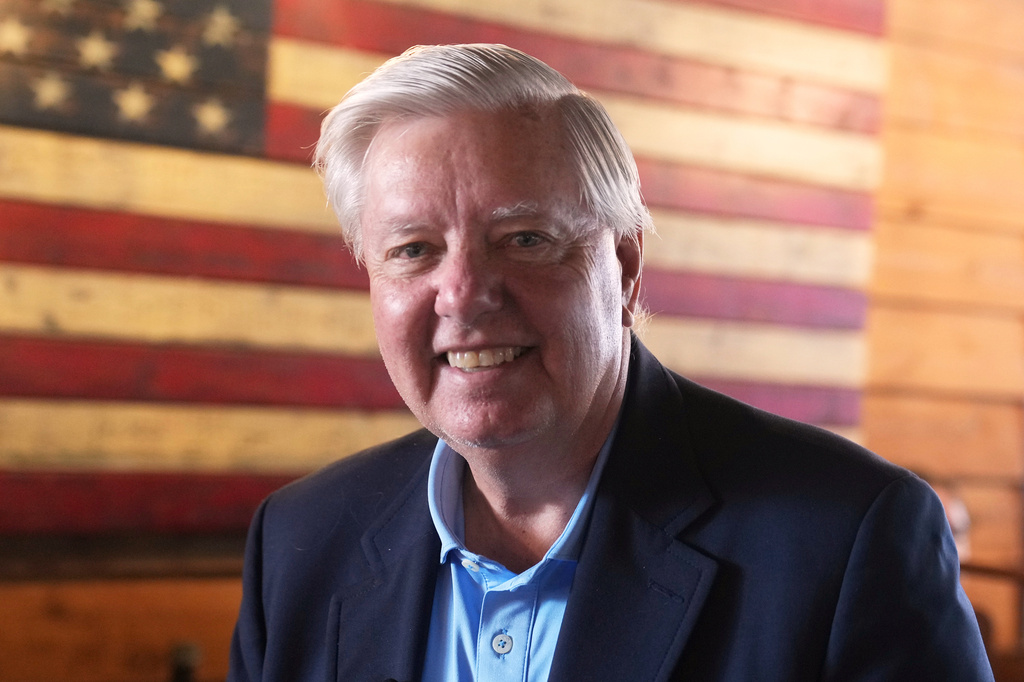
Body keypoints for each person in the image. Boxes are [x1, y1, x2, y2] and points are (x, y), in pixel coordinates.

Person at [228, 44, 993, 681]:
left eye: (524, 238)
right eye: (413, 251)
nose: (462, 295)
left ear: (624, 269)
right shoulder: (302, 542)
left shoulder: (846, 536)